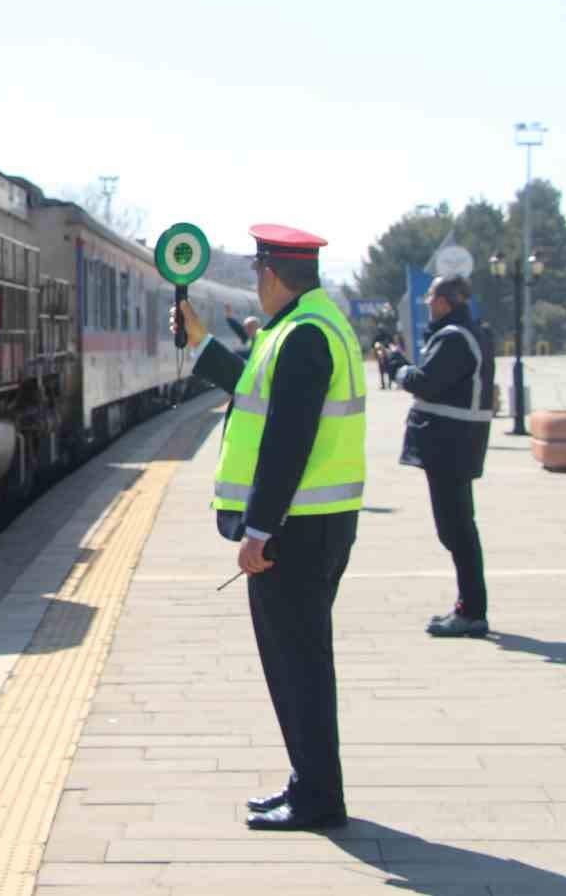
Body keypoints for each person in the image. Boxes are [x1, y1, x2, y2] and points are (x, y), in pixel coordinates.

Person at [172, 223, 365, 832]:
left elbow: (288, 440)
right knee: (297, 661)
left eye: (257, 273)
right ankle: (308, 782)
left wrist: (259, 530)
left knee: (298, 663)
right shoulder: (305, 326)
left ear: (272, 275)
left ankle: (318, 799)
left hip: (296, 531)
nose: (256, 283)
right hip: (308, 525)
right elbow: (253, 389)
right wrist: (202, 345)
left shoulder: (304, 335)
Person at [379, 276, 496, 637]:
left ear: (445, 302)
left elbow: (425, 381)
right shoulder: (469, 333)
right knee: (459, 528)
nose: (427, 303)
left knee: (457, 530)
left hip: (449, 443)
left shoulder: (454, 337)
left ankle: (471, 611)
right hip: (457, 442)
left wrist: (396, 364)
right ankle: (469, 607)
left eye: (431, 297)